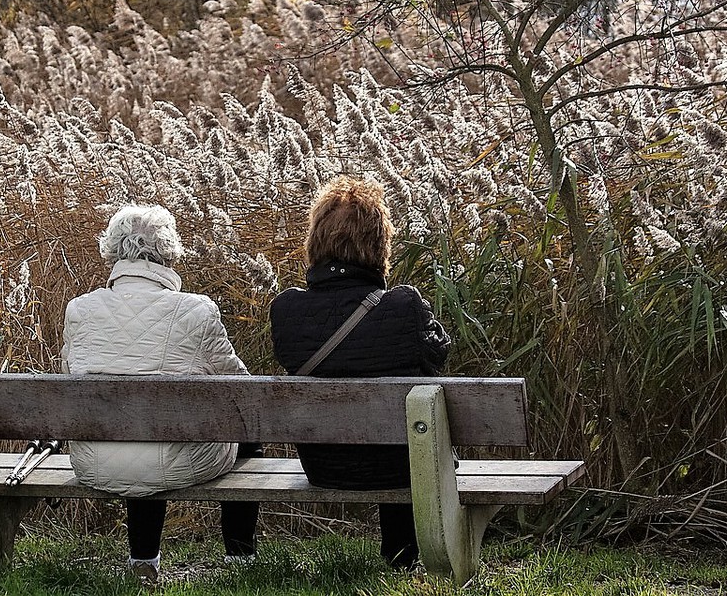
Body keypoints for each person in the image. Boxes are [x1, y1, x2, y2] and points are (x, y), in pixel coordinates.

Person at [61, 204, 260, 584]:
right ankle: (240, 559)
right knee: (245, 434)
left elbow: (68, 374)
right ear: (169, 254)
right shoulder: (196, 311)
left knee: (136, 431)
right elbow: (241, 389)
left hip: (95, 461)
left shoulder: (80, 310)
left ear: (112, 252)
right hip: (177, 460)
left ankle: (143, 566)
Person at [269, 176, 451, 570]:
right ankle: (401, 554)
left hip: (322, 465)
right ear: (380, 245)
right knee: (405, 416)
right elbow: (438, 356)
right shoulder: (403, 307)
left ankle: (400, 553)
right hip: (402, 468)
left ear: (315, 242)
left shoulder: (285, 311)